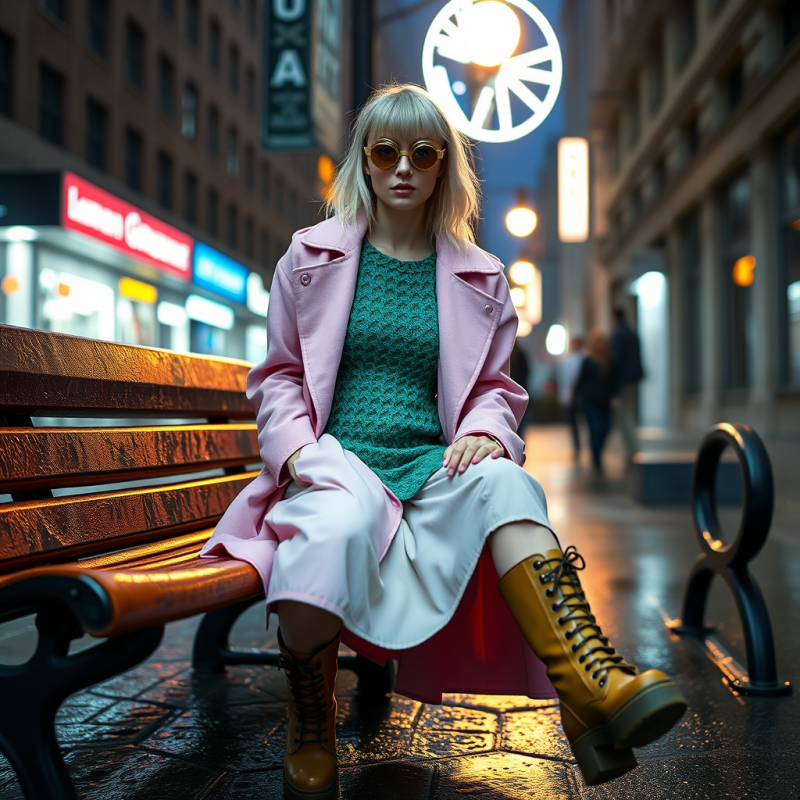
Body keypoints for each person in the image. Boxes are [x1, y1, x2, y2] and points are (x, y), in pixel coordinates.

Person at [199, 84, 685, 797]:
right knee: (329, 529)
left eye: (421, 153)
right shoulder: (308, 257)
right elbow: (278, 375)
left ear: (441, 167)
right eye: (385, 150)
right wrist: (297, 451)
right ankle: (312, 721)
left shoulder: (480, 275)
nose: (402, 167)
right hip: (334, 464)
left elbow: (494, 386)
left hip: (432, 469)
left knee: (511, 485)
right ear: (364, 162)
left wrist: (488, 432)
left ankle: (591, 687)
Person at [574, 330, 621, 472]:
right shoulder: (588, 361)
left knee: (606, 428)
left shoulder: (611, 360)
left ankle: (598, 451)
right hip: (590, 400)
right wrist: (576, 396)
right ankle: (596, 457)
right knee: (595, 428)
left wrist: (616, 396)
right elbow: (581, 380)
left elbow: (615, 380)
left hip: (605, 400)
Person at [610, 307, 644, 462]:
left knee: (624, 416)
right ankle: (633, 449)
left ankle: (632, 450)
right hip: (634, 379)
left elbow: (615, 361)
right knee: (631, 413)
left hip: (623, 381)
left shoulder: (618, 335)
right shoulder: (633, 334)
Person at [557, 335, 585, 461]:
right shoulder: (568, 361)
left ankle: (582, 445)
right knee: (573, 423)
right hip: (570, 396)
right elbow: (564, 380)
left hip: (582, 396)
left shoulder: (584, 359)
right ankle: (577, 446)